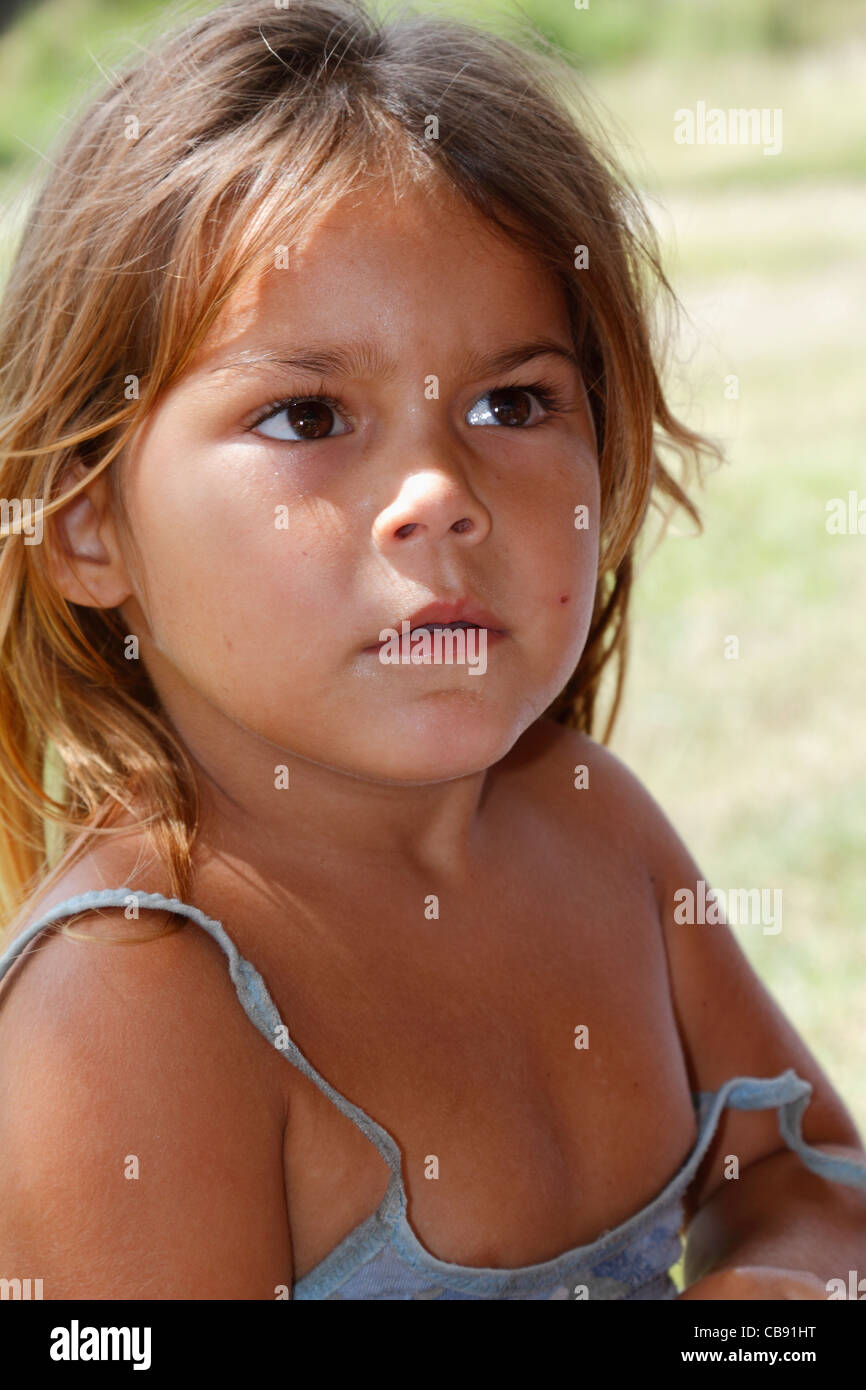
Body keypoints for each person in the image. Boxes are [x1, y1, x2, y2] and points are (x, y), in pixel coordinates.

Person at [0, 0, 863, 1301]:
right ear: (84, 527)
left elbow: (810, 1193)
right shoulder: (135, 1000)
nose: (437, 491)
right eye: (307, 414)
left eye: (509, 402)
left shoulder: (594, 829)